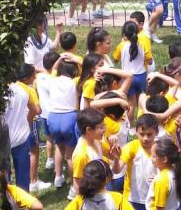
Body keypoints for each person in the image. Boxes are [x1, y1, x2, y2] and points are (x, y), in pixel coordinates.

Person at [15, 63, 51, 192]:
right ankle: (34, 181)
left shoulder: (14, 87)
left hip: (18, 124)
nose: (35, 77)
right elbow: (38, 110)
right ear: (26, 78)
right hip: (32, 123)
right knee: (34, 152)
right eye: (33, 75)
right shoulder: (29, 90)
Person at [46, 60, 79, 189]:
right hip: (69, 116)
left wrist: (60, 59)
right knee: (70, 153)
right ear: (73, 71)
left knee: (59, 147)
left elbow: (53, 69)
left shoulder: (52, 80)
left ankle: (58, 177)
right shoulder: (74, 82)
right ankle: (73, 184)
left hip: (53, 117)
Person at [5, 67, 37, 191]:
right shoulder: (23, 91)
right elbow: (34, 110)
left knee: (4, 173)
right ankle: (24, 201)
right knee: (23, 173)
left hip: (3, 140)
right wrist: (27, 122)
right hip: (21, 137)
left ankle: (7, 200)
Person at [71, 107, 114, 198]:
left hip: (100, 190)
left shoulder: (96, 141)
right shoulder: (81, 154)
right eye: (101, 127)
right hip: (91, 197)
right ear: (89, 130)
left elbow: (112, 156)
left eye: (104, 126)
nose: (105, 130)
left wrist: (113, 146)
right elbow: (77, 182)